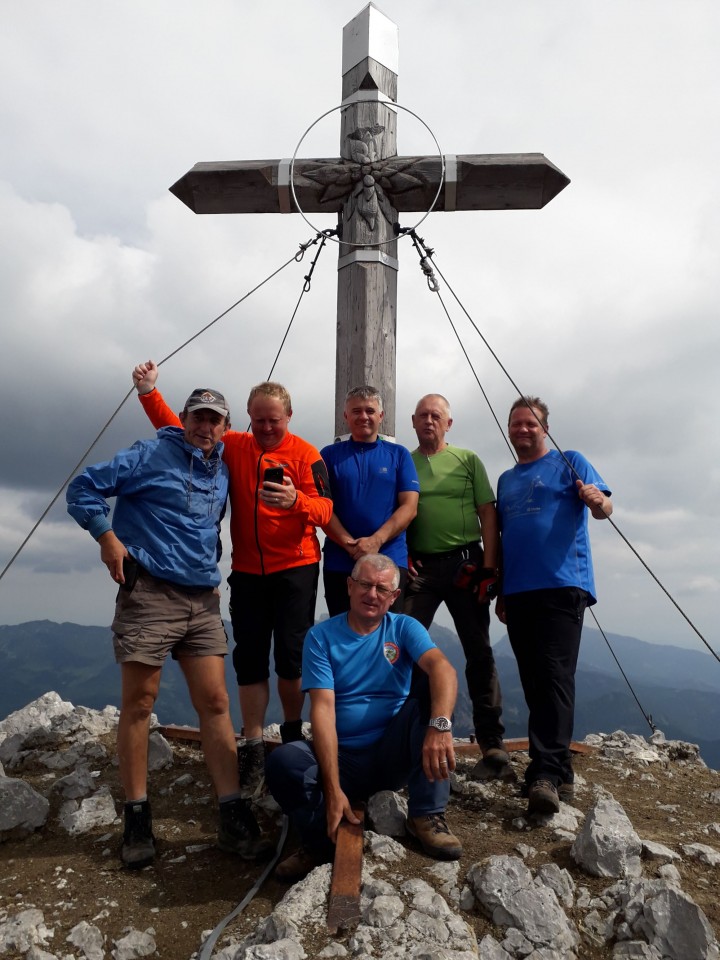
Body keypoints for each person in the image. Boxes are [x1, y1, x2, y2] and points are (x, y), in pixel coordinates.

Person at [66, 388, 270, 868]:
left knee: (217, 704)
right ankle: (137, 817)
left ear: (225, 427)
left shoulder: (221, 468)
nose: (205, 427)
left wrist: (210, 573)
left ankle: (231, 814)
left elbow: (208, 527)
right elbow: (83, 488)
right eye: (198, 418)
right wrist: (107, 538)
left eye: (214, 421)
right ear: (183, 419)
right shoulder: (150, 452)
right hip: (150, 592)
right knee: (139, 704)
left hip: (201, 599)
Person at [132, 362, 332, 798]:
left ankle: (294, 734)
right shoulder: (235, 446)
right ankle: (255, 743)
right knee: (250, 656)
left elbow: (325, 511)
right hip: (247, 571)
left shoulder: (307, 454)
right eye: (257, 420)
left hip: (296, 566)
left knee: (293, 656)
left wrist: (296, 499)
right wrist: (149, 393)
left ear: (289, 418)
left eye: (273, 421)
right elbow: (179, 429)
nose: (264, 428)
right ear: (245, 417)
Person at [265, 554, 462, 882]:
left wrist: (440, 726)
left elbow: (444, 668)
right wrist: (332, 788)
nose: (372, 594)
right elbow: (323, 711)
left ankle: (427, 815)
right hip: (342, 755)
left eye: (382, 589)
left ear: (394, 597)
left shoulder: (403, 627)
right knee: (283, 761)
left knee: (433, 692)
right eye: (365, 585)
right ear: (350, 585)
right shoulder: (322, 637)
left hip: (390, 752)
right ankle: (317, 843)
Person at [496, 396, 612, 815]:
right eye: (516, 424)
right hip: (520, 590)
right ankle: (560, 773)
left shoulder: (570, 459)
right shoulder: (506, 479)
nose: (522, 430)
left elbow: (604, 509)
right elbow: (509, 537)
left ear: (545, 428)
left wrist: (598, 500)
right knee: (534, 680)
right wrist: (503, 592)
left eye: (530, 423)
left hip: (564, 584)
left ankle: (543, 772)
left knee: (554, 677)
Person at [403, 393, 506, 773]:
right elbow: (399, 509)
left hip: (466, 562)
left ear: (448, 423)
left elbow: (487, 514)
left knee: (478, 650)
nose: (429, 421)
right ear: (413, 421)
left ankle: (492, 744)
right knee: (406, 646)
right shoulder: (405, 461)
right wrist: (403, 552)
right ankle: (415, 734)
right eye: (423, 415)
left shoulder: (467, 460)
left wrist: (490, 569)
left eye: (436, 416)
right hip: (421, 569)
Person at [320, 385, 419, 616]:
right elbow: (321, 506)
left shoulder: (399, 455)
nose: (363, 416)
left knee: (387, 637)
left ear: (381, 416)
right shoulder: (328, 455)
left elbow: (410, 507)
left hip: (390, 560)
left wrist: (376, 541)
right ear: (345, 415)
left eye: (370, 411)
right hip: (340, 562)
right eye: (356, 411)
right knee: (343, 634)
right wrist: (349, 544)